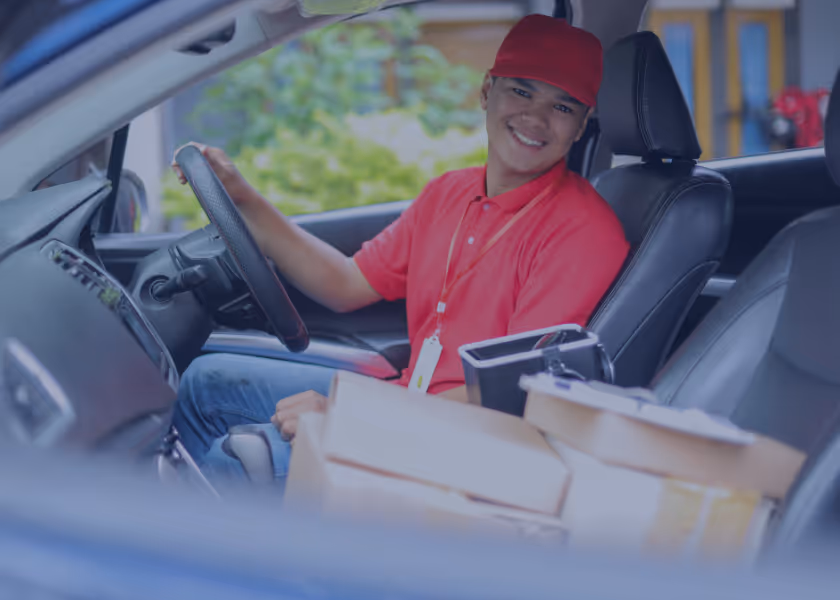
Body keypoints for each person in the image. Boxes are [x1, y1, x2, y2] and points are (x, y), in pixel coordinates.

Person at [171, 15, 629, 485]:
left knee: (239, 460)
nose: (535, 117)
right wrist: (243, 199)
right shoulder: (450, 192)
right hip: (410, 400)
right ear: (486, 91)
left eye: (563, 107)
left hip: (469, 443)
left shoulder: (584, 232)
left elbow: (513, 391)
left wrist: (354, 416)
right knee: (204, 382)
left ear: (581, 126)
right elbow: (346, 284)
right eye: (522, 91)